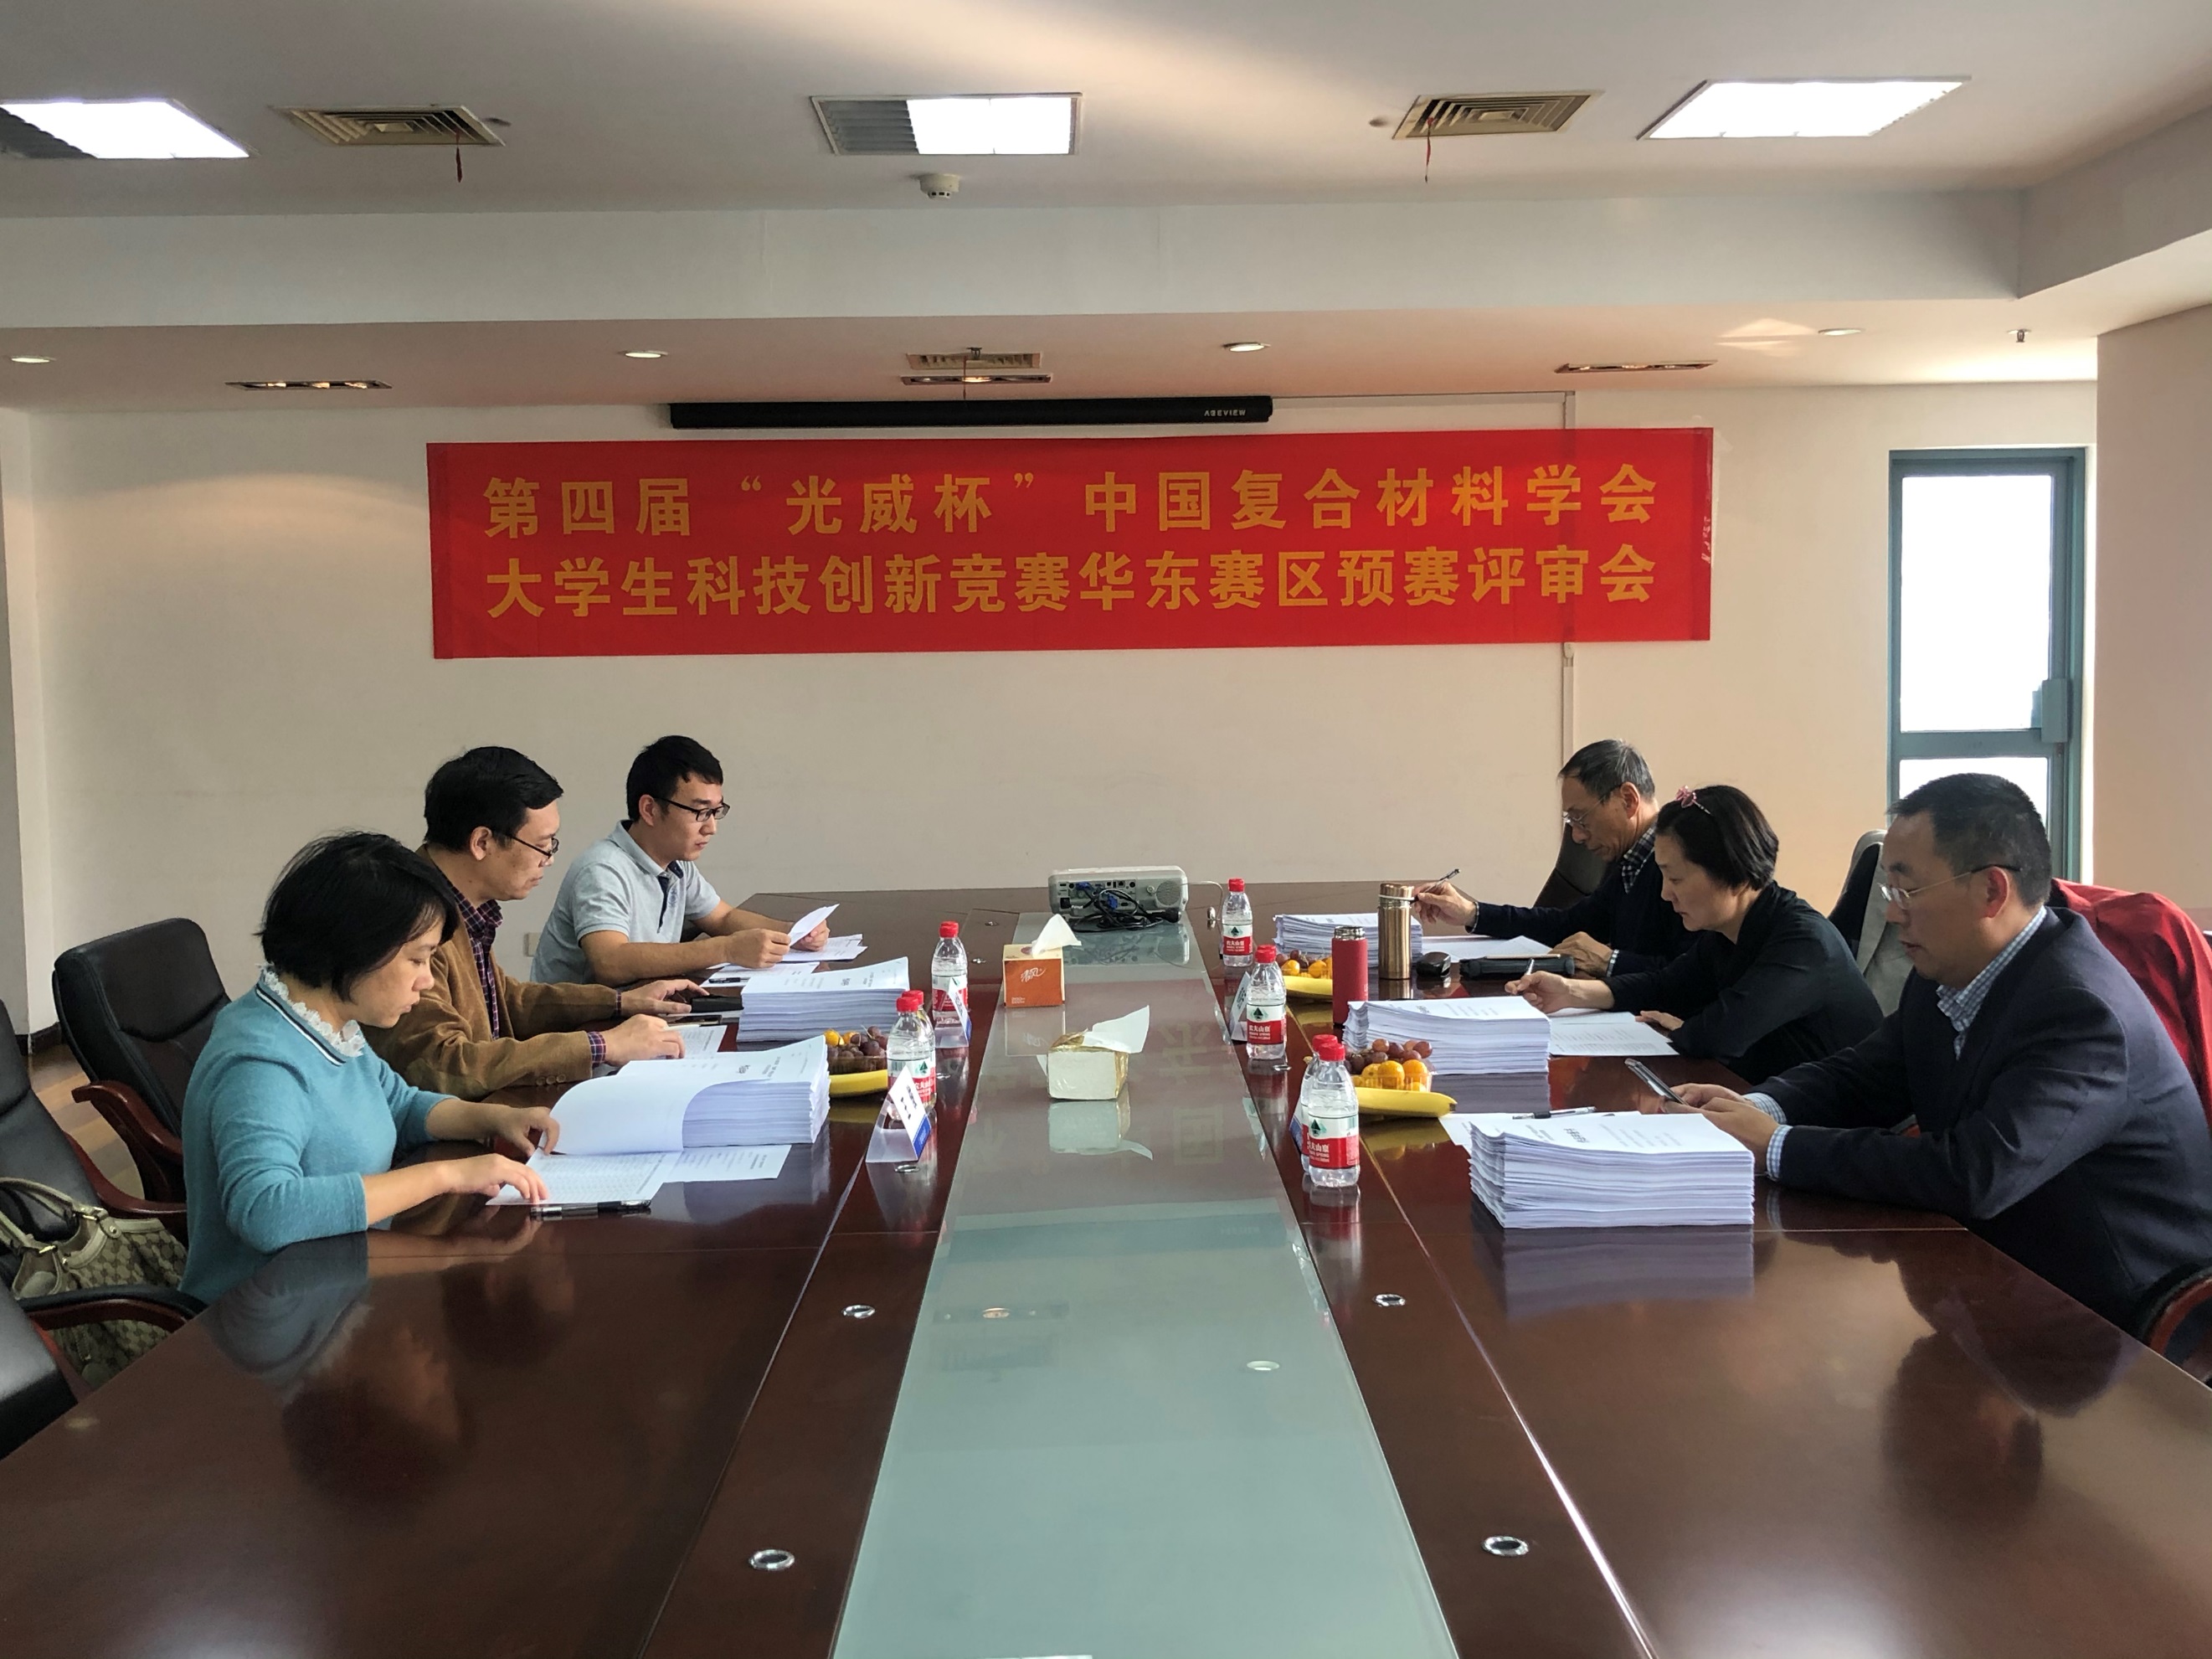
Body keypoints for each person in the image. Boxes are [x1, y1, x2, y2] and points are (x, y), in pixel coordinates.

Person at [1664, 773, 2212, 1331]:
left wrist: (1777, 1146)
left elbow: (1975, 1172)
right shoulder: (1947, 970)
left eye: (1908, 891)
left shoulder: (2081, 1010)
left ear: (1991, 891)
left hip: (2114, 1317)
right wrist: (1756, 1107)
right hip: (1993, 1272)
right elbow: (1863, 1075)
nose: (1893, 913)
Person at [180, 833, 554, 1305]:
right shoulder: (262, 1063)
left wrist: (495, 1118)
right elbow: (265, 1211)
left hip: (340, 1283)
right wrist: (447, 1176)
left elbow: (398, 1103)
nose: (427, 980)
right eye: (417, 959)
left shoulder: (329, 1023)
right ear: (357, 948)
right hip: (270, 1317)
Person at [370, 745, 694, 1098]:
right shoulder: (410, 920)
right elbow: (442, 1063)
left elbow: (507, 1001)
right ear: (482, 842)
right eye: (543, 845)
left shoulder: (458, 902)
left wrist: (619, 1002)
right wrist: (602, 1045)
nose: (549, 859)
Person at [1508, 785, 1880, 1083]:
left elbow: (1719, 1035)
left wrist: (1688, 1030)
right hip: (1762, 1096)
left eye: (1676, 878)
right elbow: (1666, 986)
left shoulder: (1803, 943)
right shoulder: (1727, 932)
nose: (1665, 894)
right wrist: (1572, 992)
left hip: (1836, 1126)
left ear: (1731, 871)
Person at [531, 734, 831, 987]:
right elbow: (611, 962)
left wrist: (792, 933)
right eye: (700, 812)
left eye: (716, 812)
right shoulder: (603, 869)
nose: (711, 827)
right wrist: (726, 949)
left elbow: (722, 918)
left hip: (639, 1009)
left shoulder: (676, 864)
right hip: (581, 1029)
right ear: (650, 810)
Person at [1413, 738, 1689, 976]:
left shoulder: (1682, 865)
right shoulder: (1630, 861)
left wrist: (1610, 962)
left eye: (1580, 818)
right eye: (1571, 820)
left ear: (1628, 800)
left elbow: (1693, 974)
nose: (1577, 836)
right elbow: (1566, 925)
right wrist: (1471, 912)